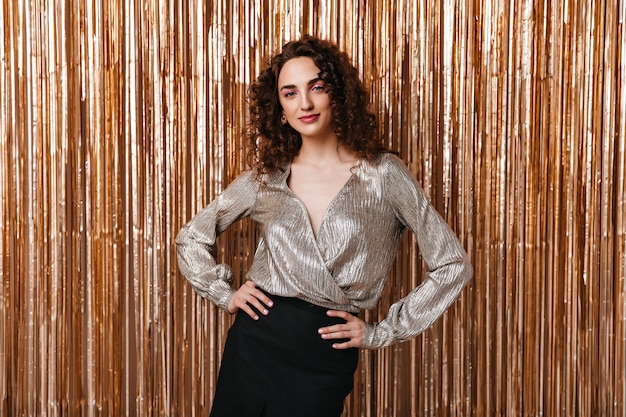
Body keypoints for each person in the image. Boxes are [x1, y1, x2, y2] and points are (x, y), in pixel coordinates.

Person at [176, 35, 473, 417]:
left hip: (324, 354)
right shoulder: (265, 179)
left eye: (317, 87)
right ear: (280, 109)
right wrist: (226, 294)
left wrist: (382, 331)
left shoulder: (384, 174)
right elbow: (191, 238)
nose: (305, 103)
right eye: (290, 93)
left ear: (337, 93)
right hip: (254, 343)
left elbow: (452, 264)